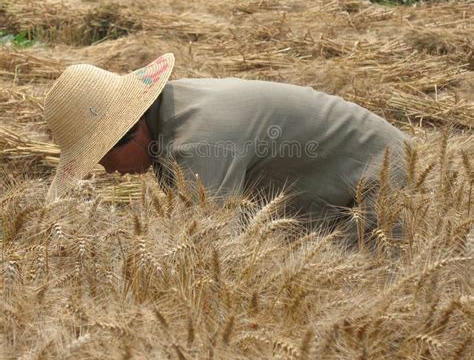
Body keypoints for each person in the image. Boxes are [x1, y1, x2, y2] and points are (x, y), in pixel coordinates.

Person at [44, 53, 410, 243]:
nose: (109, 170)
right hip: (349, 185)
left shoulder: (197, 141)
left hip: (386, 179)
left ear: (128, 130)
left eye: (103, 155)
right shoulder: (170, 116)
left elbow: (216, 249)